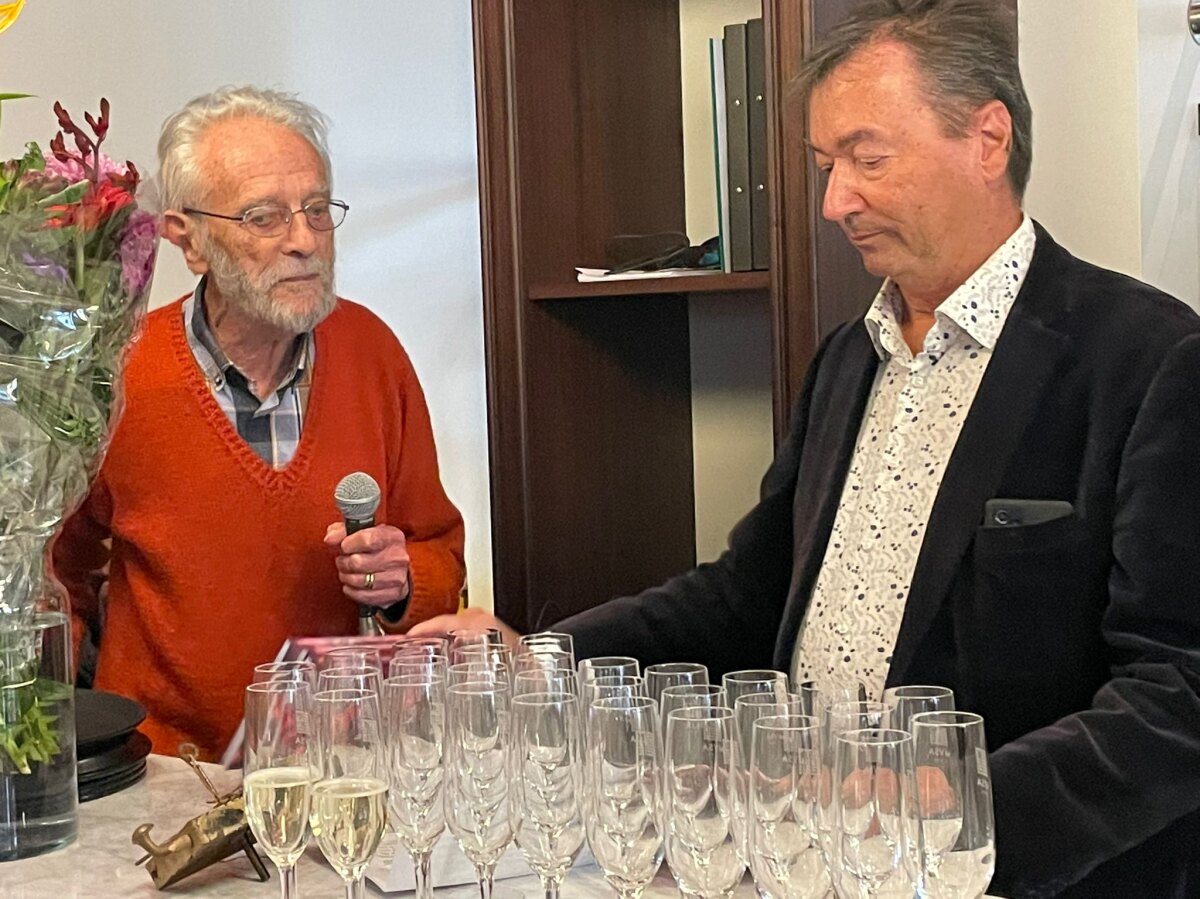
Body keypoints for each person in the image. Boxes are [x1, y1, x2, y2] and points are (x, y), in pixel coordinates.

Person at [414, 2, 1200, 895]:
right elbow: (748, 591)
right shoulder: (846, 358)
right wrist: (543, 656)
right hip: (803, 857)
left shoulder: (1149, 359)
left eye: (868, 159)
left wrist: (961, 805)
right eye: (828, 167)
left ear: (988, 140)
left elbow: (1180, 692)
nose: (834, 202)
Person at [52, 86, 466, 760]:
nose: (304, 241)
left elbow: (440, 553)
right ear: (189, 239)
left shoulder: (374, 354)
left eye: (316, 210)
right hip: (162, 779)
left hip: (343, 771)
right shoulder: (118, 373)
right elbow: (55, 579)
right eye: (264, 217)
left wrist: (403, 583)